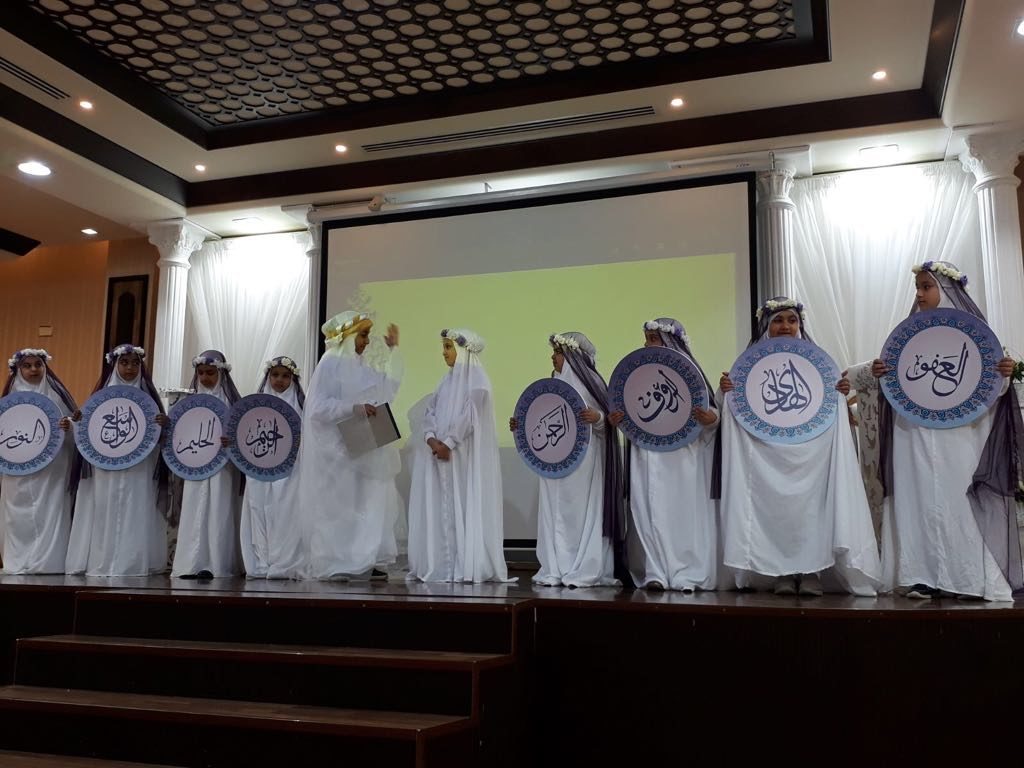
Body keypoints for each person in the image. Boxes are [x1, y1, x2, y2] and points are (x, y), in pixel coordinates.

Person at [873, 261, 1021, 600]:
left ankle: (970, 579)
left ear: (947, 289)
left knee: (961, 502)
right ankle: (922, 576)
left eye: (927, 287)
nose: (919, 294)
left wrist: (1003, 373)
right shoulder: (908, 337)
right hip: (913, 434)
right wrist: (881, 373)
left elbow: (992, 390)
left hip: (962, 436)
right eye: (918, 288)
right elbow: (896, 384)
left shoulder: (976, 337)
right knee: (918, 501)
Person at [716, 298, 881, 596]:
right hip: (765, 454)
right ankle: (781, 574)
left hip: (811, 454)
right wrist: (726, 391)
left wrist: (840, 393)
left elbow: (830, 404)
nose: (785, 326)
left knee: (811, 513)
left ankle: (811, 573)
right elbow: (734, 410)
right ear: (766, 326)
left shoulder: (817, 364)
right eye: (778, 320)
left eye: (792, 320)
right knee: (775, 512)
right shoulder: (749, 367)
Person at [609, 318, 719, 592]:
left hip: (683, 462)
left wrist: (711, 419)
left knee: (680, 516)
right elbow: (631, 409)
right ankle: (654, 571)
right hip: (646, 457)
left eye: (653, 339)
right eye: (647, 339)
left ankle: (687, 573)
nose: (647, 345)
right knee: (648, 512)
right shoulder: (639, 376)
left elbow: (713, 414)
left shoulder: (690, 375)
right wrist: (617, 419)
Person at [295, 311, 403, 580]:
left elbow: (386, 390)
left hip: (366, 448)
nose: (366, 342)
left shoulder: (361, 366)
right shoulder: (330, 364)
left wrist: (393, 353)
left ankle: (369, 560)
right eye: (363, 335)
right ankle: (340, 562)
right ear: (348, 336)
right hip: (339, 453)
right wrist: (353, 408)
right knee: (342, 510)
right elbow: (317, 408)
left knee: (372, 503)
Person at [512, 332, 620, 588]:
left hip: (584, 464)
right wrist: (521, 424)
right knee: (554, 513)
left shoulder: (592, 382)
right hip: (553, 464)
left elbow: (608, 422)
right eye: (554, 352)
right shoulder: (554, 384)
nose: (553, 357)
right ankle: (555, 568)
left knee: (580, 515)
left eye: (558, 352)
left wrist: (598, 418)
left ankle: (584, 568)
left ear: (573, 355)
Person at [407, 328, 509, 583]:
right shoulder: (445, 381)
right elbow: (430, 411)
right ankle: (443, 565)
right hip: (438, 453)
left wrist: (449, 443)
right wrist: (431, 438)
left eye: (448, 347)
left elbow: (470, 417)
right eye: (443, 347)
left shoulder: (478, 381)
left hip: (461, 458)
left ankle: (464, 565)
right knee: (442, 509)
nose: (444, 353)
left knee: (462, 505)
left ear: (463, 351)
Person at [66, 344, 168, 576]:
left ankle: (131, 563)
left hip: (139, 467)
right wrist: (77, 422)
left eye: (135, 363)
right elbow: (86, 433)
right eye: (124, 362)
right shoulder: (100, 400)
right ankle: (103, 562)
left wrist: (163, 425)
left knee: (136, 510)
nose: (130, 367)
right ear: (114, 365)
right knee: (105, 510)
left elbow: (160, 440)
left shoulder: (148, 399)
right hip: (106, 468)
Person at [0, 349, 78, 573]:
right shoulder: (8, 402)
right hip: (17, 472)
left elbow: (78, 429)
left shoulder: (57, 398)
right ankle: (17, 562)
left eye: (38, 365)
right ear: (18, 369)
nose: (34, 369)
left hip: (51, 471)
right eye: (27, 365)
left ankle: (49, 563)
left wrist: (69, 426)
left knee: (50, 511)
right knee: (16, 515)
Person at [171, 350, 243, 578]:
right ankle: (190, 564)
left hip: (223, 467)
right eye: (200, 373)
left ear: (221, 373)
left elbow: (245, 434)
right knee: (194, 509)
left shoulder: (232, 403)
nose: (205, 378)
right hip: (195, 465)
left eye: (210, 373)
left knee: (219, 510)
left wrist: (232, 440)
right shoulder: (188, 403)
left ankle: (217, 564)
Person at [239, 355, 305, 579]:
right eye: (275, 375)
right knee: (258, 510)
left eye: (285, 376)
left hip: (290, 472)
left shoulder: (302, 408)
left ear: (293, 379)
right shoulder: (255, 407)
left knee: (285, 513)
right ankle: (260, 564)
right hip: (258, 470)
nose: (279, 380)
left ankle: (283, 562)